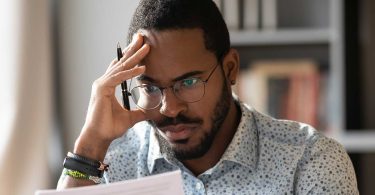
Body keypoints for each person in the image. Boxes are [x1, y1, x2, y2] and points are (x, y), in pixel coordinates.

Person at [57, 0, 359, 194]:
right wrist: (90, 146)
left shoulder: (308, 161)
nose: (169, 108)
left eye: (188, 82)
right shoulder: (106, 166)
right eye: (149, 87)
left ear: (230, 69)